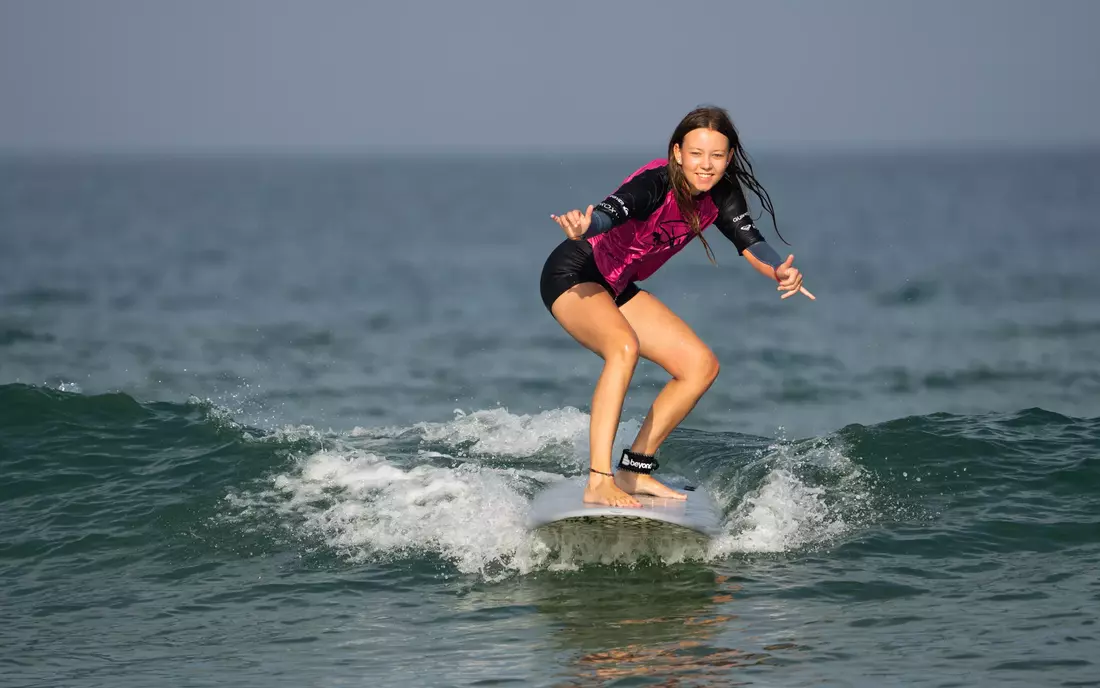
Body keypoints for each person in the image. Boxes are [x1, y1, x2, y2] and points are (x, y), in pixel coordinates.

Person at [539, 105, 815, 508]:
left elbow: (751, 242)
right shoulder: (656, 183)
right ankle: (599, 479)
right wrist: (588, 225)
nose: (706, 165)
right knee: (623, 347)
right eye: (697, 154)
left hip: (617, 284)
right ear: (678, 153)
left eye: (717, 156)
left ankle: (634, 471)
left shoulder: (720, 195)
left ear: (729, 157)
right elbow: (613, 210)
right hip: (575, 272)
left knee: (700, 366)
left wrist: (779, 271)